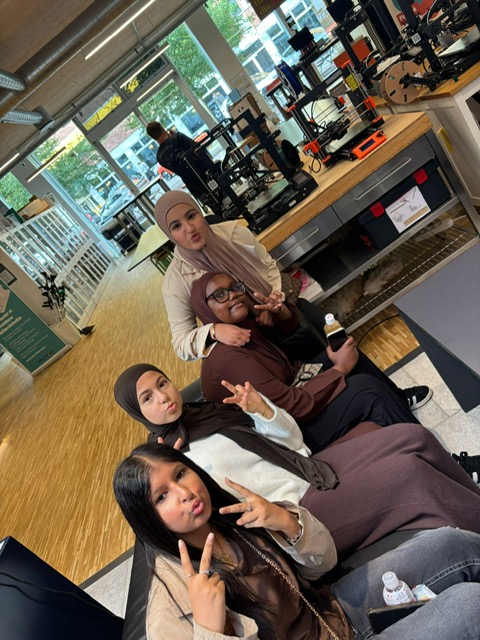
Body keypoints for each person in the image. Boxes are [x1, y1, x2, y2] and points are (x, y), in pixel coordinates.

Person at [114, 444, 480, 640]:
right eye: (161, 497)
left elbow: (324, 563)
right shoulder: (169, 609)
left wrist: (289, 524)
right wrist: (210, 631)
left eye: (181, 473)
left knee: (448, 543)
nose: (185, 493)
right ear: (147, 518)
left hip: (332, 612)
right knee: (469, 604)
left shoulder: (231, 515)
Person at [113, 364, 480, 556]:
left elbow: (294, 445)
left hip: (308, 470)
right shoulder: (173, 462)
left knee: (412, 436)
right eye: (147, 398)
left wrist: (263, 412)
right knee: (410, 473)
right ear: (137, 412)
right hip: (298, 511)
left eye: (162, 383)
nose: (163, 397)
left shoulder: (207, 413)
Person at [153, 190, 432, 409]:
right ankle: (365, 406)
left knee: (339, 342)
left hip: (283, 315)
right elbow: (181, 343)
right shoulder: (177, 281)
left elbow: (268, 266)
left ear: (200, 213)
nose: (189, 228)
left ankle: (395, 396)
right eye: (176, 226)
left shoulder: (234, 233)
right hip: (254, 346)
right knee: (318, 376)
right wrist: (214, 331)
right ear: (169, 234)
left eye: (192, 216)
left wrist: (274, 297)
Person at [190, 271, 427, 452]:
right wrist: (340, 369)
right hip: (284, 437)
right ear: (204, 309)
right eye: (220, 295)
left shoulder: (243, 325)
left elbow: (287, 329)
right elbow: (290, 407)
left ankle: (398, 408)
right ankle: (426, 452)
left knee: (345, 351)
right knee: (367, 390)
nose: (233, 295)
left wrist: (280, 311)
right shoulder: (229, 359)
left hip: (290, 396)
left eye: (235, 287)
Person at [146, 122, 213, 200]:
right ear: (162, 128)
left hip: (193, 185)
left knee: (211, 203)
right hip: (206, 172)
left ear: (153, 137)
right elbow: (198, 148)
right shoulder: (178, 138)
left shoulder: (160, 157)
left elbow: (176, 169)